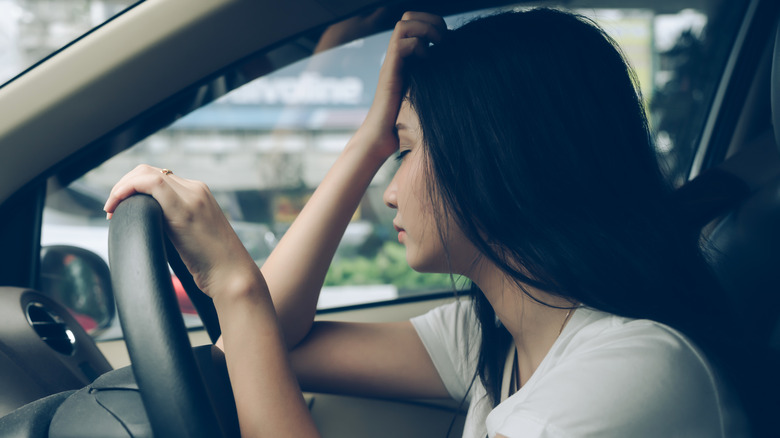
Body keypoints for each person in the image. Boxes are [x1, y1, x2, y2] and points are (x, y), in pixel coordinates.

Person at [104, 8, 753, 437]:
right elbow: (273, 344)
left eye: (407, 150)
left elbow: (254, 329)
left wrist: (236, 287)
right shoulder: (497, 333)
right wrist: (369, 140)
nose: (389, 189)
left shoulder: (631, 373)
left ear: (492, 158)